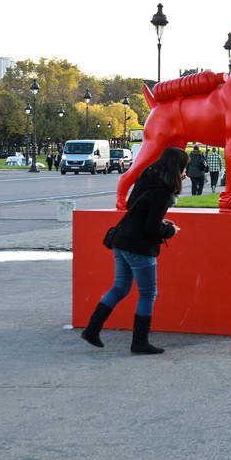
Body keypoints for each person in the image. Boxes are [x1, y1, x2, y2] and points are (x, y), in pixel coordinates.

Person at [80, 146, 188, 355]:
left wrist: (158, 221)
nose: (185, 173)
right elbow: (150, 227)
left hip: (121, 240)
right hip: (139, 247)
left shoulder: (147, 178)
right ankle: (139, 342)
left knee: (120, 288)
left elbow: (133, 206)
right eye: (184, 169)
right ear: (178, 168)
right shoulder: (164, 192)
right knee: (148, 293)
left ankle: (92, 329)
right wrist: (169, 230)